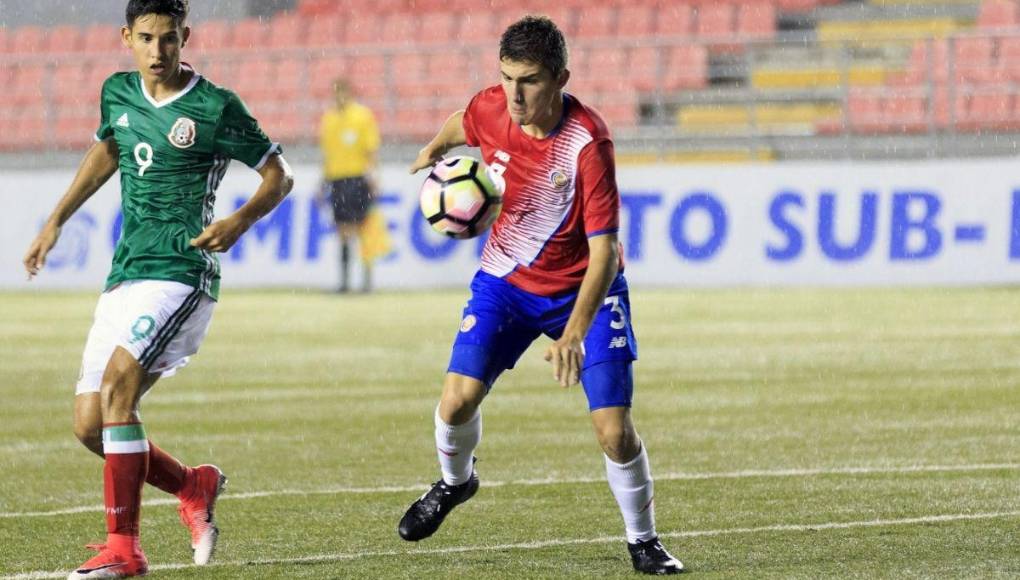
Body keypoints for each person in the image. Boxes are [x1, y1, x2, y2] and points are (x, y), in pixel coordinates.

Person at [398, 15, 683, 576]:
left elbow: (604, 253)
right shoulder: (493, 107)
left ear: (560, 78)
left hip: (585, 291)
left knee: (614, 431)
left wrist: (574, 331)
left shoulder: (587, 144)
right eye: (506, 78)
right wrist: (433, 148)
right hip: (506, 280)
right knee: (455, 401)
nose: (514, 94)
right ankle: (456, 483)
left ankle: (643, 542)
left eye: (528, 80)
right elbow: (465, 120)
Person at [22, 1, 294, 578]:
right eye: (146, 38)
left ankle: (124, 550)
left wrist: (239, 220)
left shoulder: (215, 106)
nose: (158, 51)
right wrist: (56, 220)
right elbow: (109, 150)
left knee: (120, 390)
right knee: (90, 425)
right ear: (127, 37)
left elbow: (279, 175)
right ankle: (193, 485)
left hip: (182, 271)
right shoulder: (117, 92)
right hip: (126, 272)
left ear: (185, 37)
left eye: (169, 39)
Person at [319, 78, 381, 293]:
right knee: (343, 231)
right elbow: (327, 154)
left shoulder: (362, 116)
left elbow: (370, 150)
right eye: (336, 93)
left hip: (357, 178)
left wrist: (373, 177)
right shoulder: (328, 118)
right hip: (337, 179)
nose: (339, 98)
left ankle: (367, 282)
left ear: (350, 93)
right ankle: (345, 282)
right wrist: (322, 183)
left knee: (364, 229)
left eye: (342, 93)